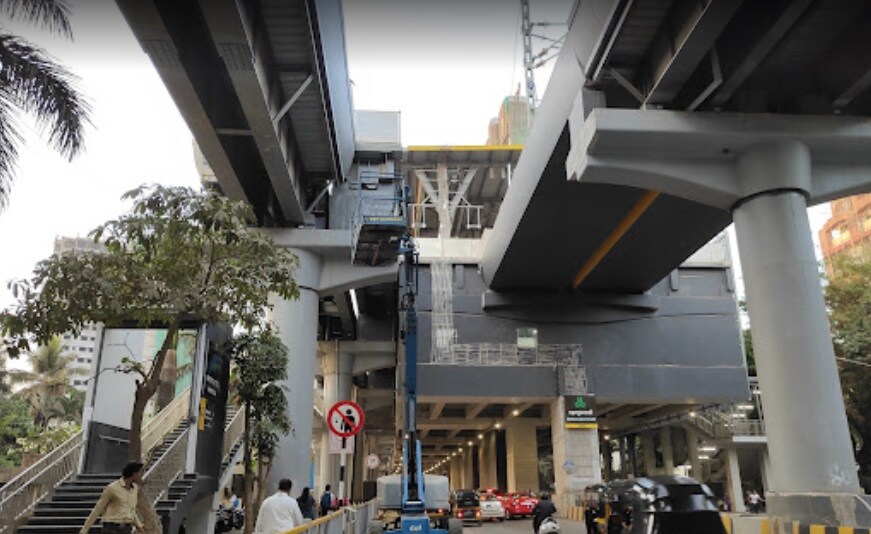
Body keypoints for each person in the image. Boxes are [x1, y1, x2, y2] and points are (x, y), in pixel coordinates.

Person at [80, 461, 145, 534]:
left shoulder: (135, 489)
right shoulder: (112, 488)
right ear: (134, 474)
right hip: (111, 528)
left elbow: (131, 509)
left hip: (126, 528)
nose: (141, 476)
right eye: (140, 473)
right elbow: (98, 509)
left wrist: (139, 525)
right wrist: (84, 530)